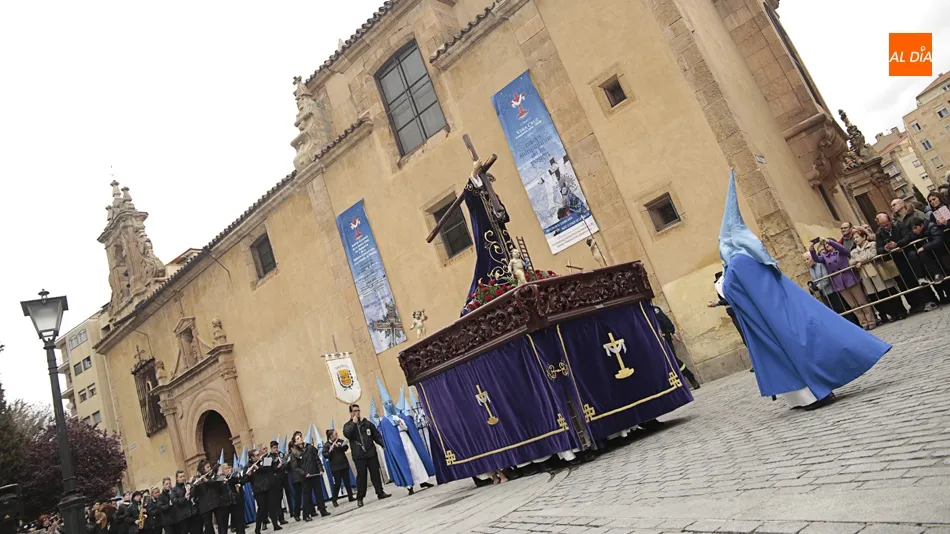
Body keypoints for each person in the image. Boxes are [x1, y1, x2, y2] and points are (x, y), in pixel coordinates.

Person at [717, 170, 890, 410]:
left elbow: (737, 292)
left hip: (774, 320)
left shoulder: (739, 263)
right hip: (779, 314)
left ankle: (814, 394)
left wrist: (724, 285)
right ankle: (813, 393)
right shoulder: (748, 258)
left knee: (796, 349)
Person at [875, 212, 938, 313]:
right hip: (895, 261)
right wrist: (886, 249)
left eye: (887, 224)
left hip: (908, 256)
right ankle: (915, 305)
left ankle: (930, 300)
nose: (886, 227)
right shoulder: (879, 233)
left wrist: (898, 245)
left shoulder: (899, 224)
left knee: (918, 279)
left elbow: (908, 236)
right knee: (904, 283)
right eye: (883, 226)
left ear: (890, 220)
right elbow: (878, 248)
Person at [810, 238, 876, 330]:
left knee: (861, 301)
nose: (827, 245)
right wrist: (812, 249)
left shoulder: (840, 252)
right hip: (839, 283)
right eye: (825, 245)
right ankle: (863, 322)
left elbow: (841, 248)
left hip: (849, 278)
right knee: (852, 304)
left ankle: (871, 320)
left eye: (828, 244)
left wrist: (828, 240)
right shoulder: (825, 257)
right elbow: (816, 259)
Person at [377, 397, 436, 496]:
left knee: (414, 460)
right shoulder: (384, 421)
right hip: (396, 445)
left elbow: (407, 428)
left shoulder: (399, 415)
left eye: (390, 402)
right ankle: (409, 486)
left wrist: (400, 422)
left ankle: (422, 480)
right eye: (386, 403)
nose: (389, 405)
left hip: (406, 439)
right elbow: (387, 436)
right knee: (404, 463)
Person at [849, 227, 906, 323]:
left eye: (857, 237)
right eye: (854, 238)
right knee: (878, 296)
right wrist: (857, 261)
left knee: (890, 292)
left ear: (864, 237)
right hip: (866, 276)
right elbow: (851, 262)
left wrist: (859, 260)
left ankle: (900, 311)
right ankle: (891, 314)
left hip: (878, 271)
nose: (855, 240)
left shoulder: (872, 244)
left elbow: (872, 255)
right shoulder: (854, 251)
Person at [342, 403, 391, 507]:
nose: (357, 413)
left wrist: (383, 445)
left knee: (375, 473)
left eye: (358, 410)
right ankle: (360, 497)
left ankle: (380, 492)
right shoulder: (348, 425)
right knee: (362, 477)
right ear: (351, 413)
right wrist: (353, 424)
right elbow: (347, 434)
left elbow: (376, 435)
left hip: (371, 453)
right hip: (359, 456)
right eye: (355, 411)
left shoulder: (366, 423)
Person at [651, 305, 701, 389]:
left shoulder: (653, 309)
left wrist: (672, 332)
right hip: (653, 342)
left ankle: (690, 377)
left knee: (673, 359)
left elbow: (664, 320)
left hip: (664, 339)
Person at [288, 431, 329, 520]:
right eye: (298, 438)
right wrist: (304, 473)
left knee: (319, 493)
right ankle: (306, 515)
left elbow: (316, 459)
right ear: (295, 442)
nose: (300, 439)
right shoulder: (294, 453)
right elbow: (295, 467)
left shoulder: (309, 447)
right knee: (307, 496)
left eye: (301, 437)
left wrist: (321, 469)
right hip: (306, 476)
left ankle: (322, 510)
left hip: (315, 473)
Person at [246, 448, 281, 534]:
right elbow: (245, 479)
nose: (259, 456)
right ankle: (257, 529)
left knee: (272, 507)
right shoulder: (248, 465)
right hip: (258, 490)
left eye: (259, 454)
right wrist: (249, 474)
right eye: (257, 455)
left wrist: (258, 468)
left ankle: (275, 525)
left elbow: (268, 469)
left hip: (268, 487)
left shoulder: (263, 461)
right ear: (252, 457)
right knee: (262, 509)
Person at [322, 430, 354, 507]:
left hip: (343, 464)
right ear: (331, 436)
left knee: (347, 481)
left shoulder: (340, 441)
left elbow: (345, 447)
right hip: (335, 467)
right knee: (338, 483)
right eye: (335, 434)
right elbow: (325, 454)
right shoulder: (327, 445)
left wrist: (341, 446)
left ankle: (350, 496)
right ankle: (334, 499)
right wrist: (331, 450)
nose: (337, 435)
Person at [192, 461, 225, 534]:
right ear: (202, 469)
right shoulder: (197, 479)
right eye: (208, 467)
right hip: (205, 506)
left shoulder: (213, 475)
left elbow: (219, 486)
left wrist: (207, 481)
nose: (210, 468)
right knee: (208, 526)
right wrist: (196, 485)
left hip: (216, 502)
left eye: (210, 466)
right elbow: (193, 494)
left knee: (221, 523)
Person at [220, 464, 245, 534]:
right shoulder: (219, 479)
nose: (228, 470)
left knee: (239, 521)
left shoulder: (231, 477)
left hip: (234, 500)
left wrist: (238, 476)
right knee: (224, 524)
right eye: (225, 469)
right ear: (221, 471)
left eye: (228, 468)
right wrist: (223, 481)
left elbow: (241, 482)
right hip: (225, 503)